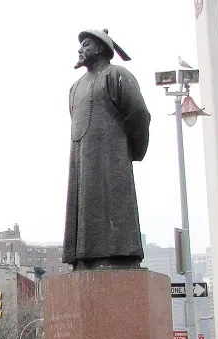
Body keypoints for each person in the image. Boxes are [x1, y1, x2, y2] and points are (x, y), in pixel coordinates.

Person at [63, 29, 151, 270]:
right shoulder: (75, 87)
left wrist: (129, 151)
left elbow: (139, 114)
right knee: (83, 204)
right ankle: (85, 257)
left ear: (101, 48)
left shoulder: (117, 75)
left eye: (86, 44)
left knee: (114, 205)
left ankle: (119, 256)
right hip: (82, 160)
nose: (80, 49)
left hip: (112, 159)